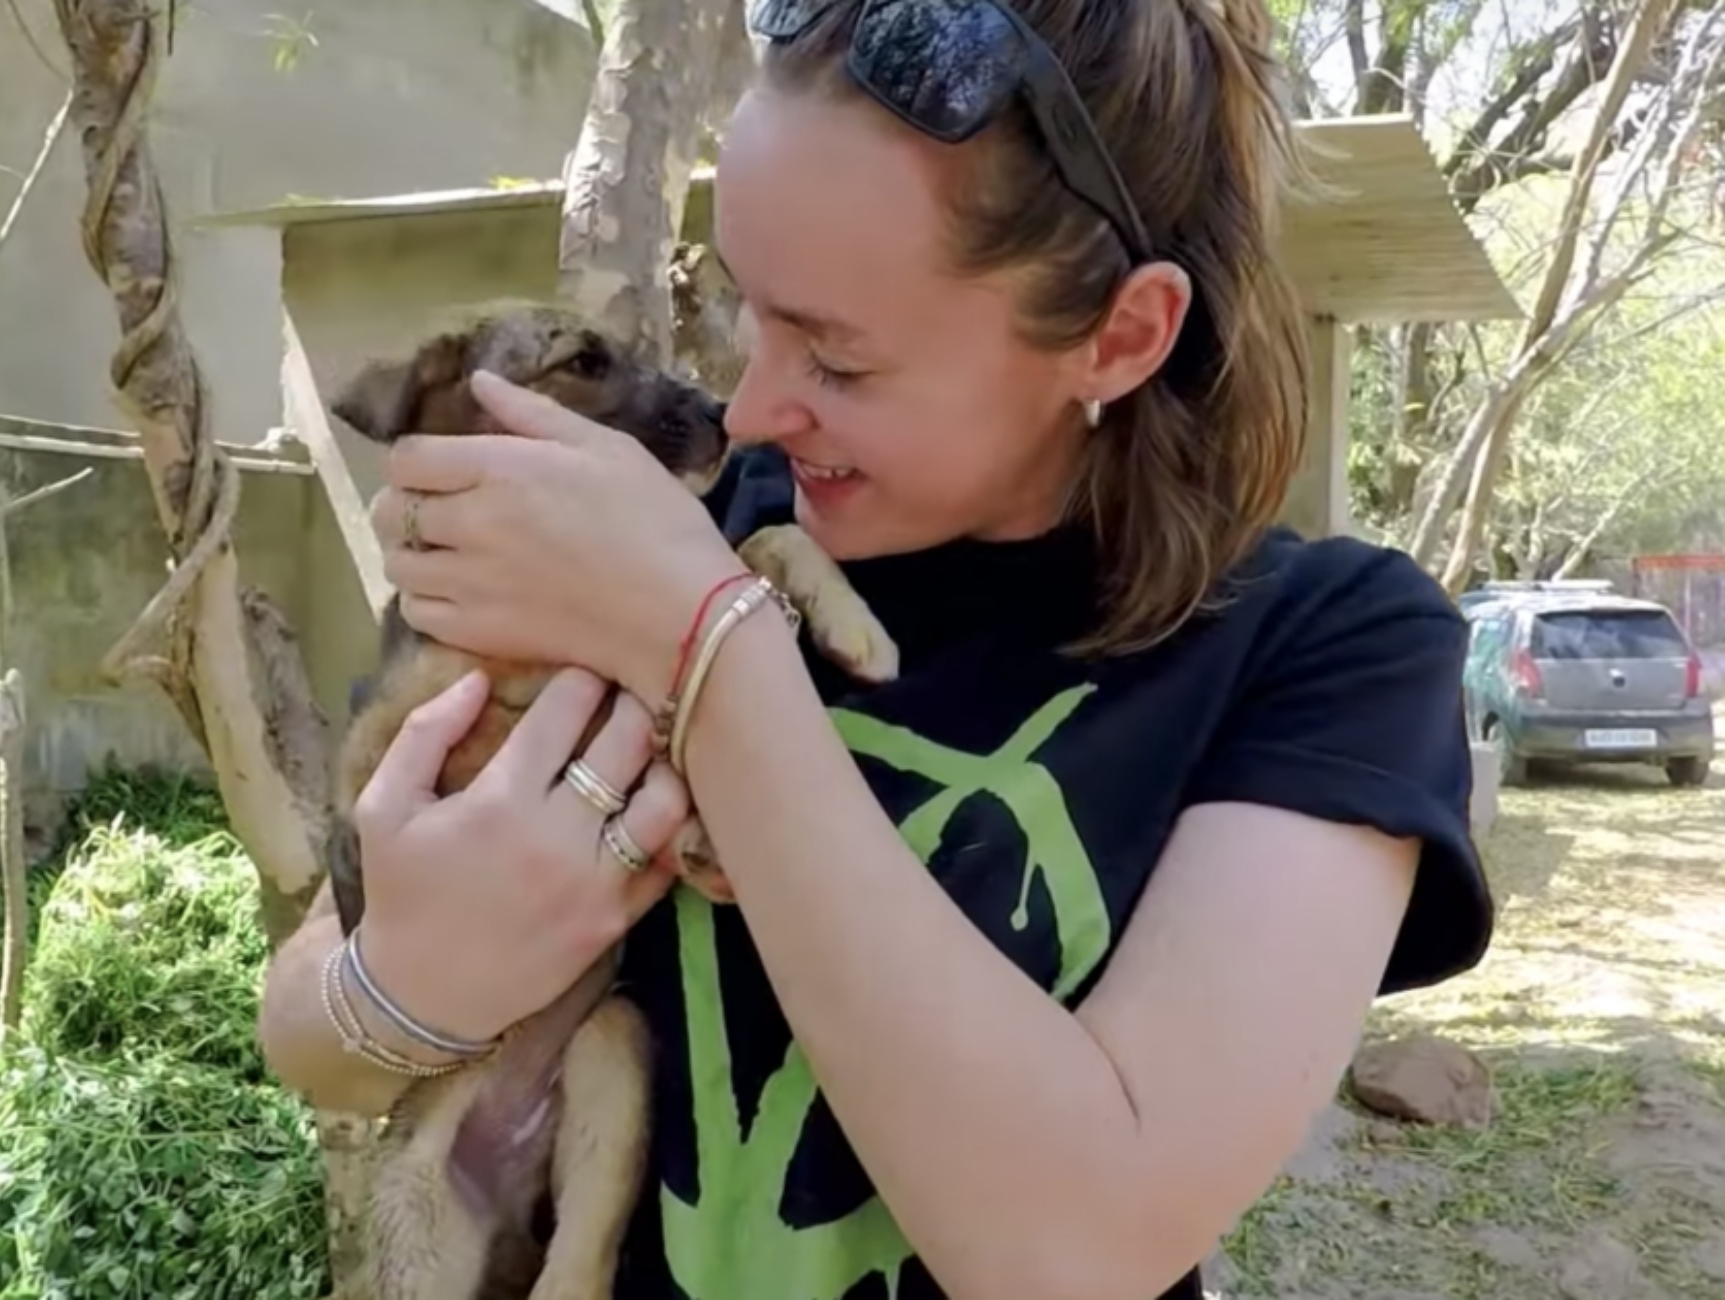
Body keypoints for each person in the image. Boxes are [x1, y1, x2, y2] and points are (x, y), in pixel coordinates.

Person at [256, 0, 1495, 1296]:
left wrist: (710, 648)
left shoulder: (1325, 651)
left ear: (1117, 337)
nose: (745, 409)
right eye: (747, 310)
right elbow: (301, 1033)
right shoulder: (711, 527)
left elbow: (1071, 1253)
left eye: (837, 360)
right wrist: (404, 983)